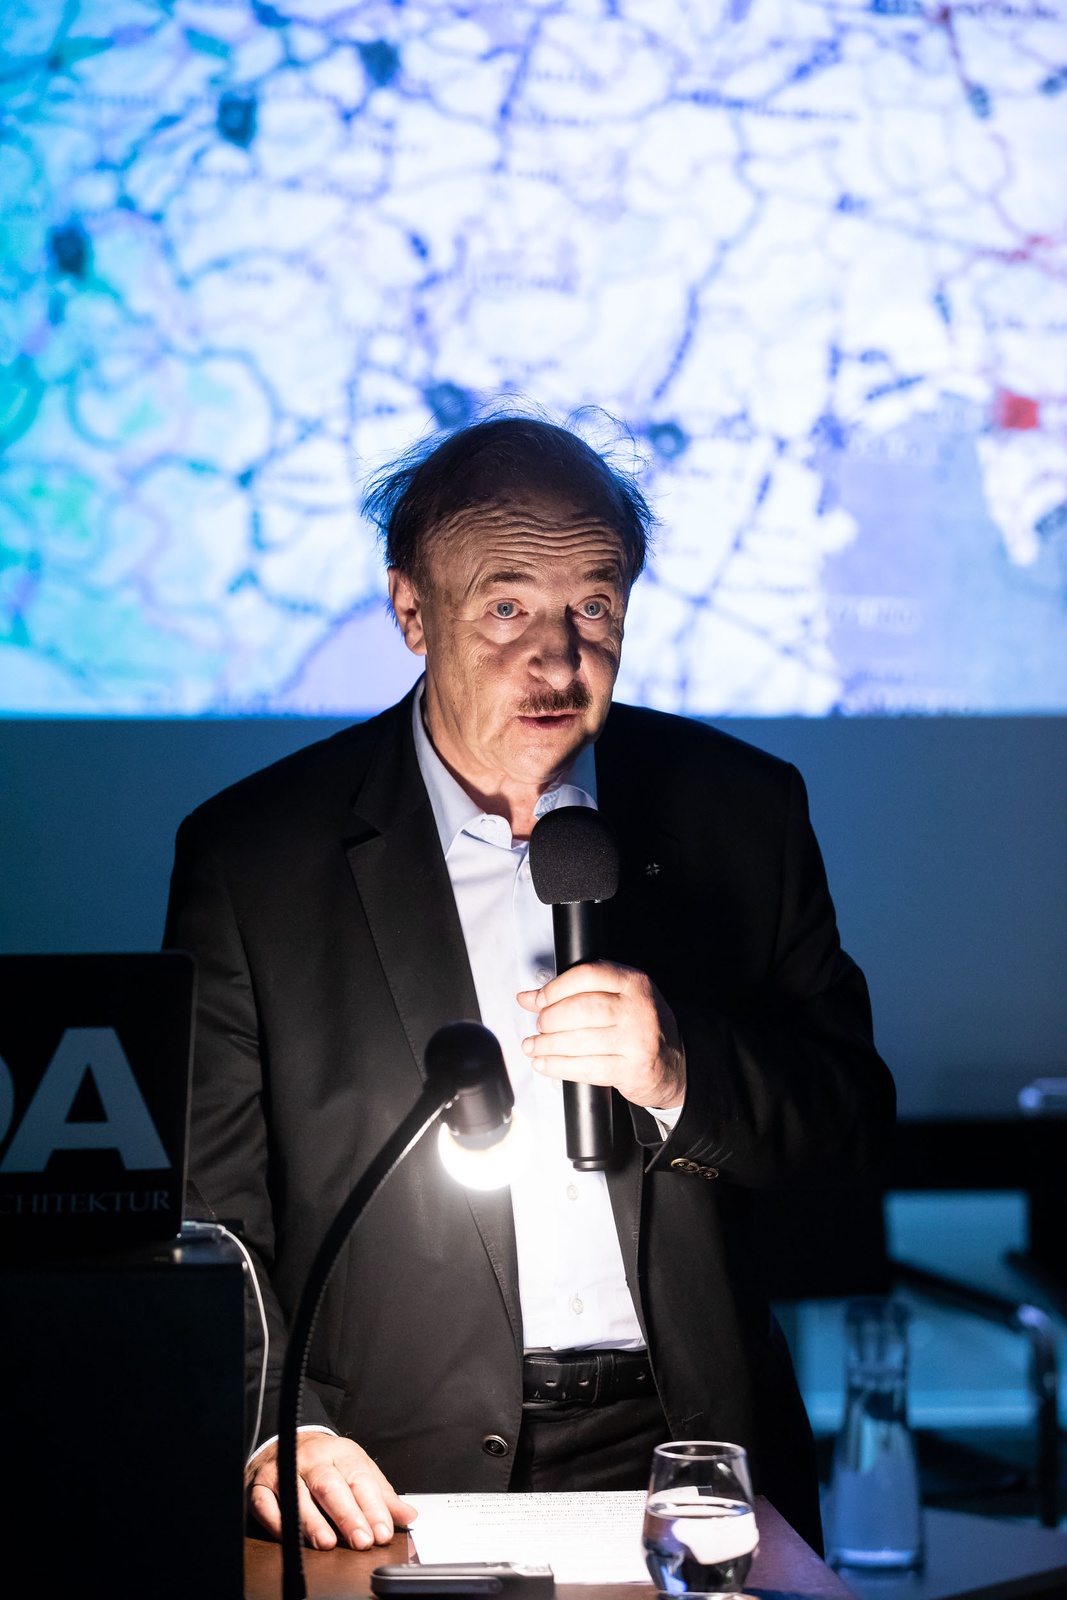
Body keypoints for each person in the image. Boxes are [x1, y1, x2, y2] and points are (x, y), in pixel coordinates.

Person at [164, 417, 894, 1558]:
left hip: (692, 1455)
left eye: (592, 607)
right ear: (412, 611)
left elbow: (849, 1126)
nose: (558, 661)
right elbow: (211, 1212)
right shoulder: (256, 857)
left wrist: (680, 1074)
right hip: (383, 1471)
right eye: (505, 608)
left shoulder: (741, 811)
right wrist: (276, 1425)